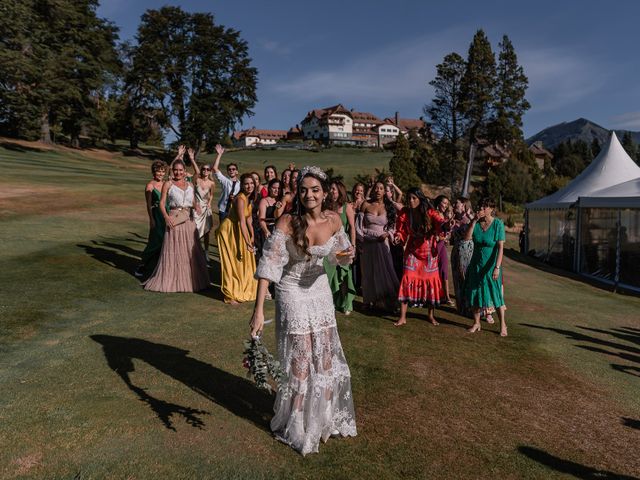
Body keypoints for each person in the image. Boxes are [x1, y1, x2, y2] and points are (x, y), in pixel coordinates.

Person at [250, 166, 357, 456]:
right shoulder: (287, 221)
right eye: (304, 189)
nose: (309, 195)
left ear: (325, 193)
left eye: (315, 190)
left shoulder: (334, 220)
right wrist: (259, 310)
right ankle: (296, 422)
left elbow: (340, 256)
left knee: (323, 355)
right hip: (291, 288)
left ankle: (322, 418)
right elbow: (269, 267)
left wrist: (345, 256)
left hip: (320, 287)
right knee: (300, 356)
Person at [142, 158, 209, 292]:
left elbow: (193, 199)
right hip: (174, 220)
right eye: (175, 170)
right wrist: (166, 217)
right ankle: (173, 280)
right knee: (174, 251)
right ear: (173, 171)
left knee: (189, 251)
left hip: (189, 221)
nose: (178, 172)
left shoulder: (190, 185)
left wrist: (196, 206)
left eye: (180, 170)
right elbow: (162, 203)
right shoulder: (168, 184)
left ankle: (190, 280)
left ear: (185, 171)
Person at [394, 188, 443, 326]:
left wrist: (445, 225)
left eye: (414, 198)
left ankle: (431, 315)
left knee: (431, 282)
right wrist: (398, 237)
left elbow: (439, 222)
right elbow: (400, 230)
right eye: (409, 198)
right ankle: (403, 317)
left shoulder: (429, 212)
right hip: (412, 251)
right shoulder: (405, 213)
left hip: (428, 252)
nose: (410, 201)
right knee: (406, 278)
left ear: (420, 199)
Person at [463, 197, 508, 336]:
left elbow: (500, 248)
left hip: (491, 267)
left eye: (484, 207)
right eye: (480, 207)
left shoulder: (498, 224)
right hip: (476, 265)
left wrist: (497, 267)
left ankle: (503, 326)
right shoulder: (476, 224)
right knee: (475, 294)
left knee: (496, 296)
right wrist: (473, 221)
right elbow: (467, 238)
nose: (480, 210)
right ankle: (476, 323)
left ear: (491, 209)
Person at [357, 181, 399, 311]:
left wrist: (387, 234)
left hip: (382, 243)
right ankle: (368, 300)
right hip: (368, 242)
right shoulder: (365, 204)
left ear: (385, 191)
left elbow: (393, 226)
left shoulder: (389, 206)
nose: (378, 190)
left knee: (385, 270)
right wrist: (362, 239)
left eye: (381, 188)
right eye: (376, 188)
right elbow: (359, 226)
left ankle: (387, 300)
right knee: (368, 271)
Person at [216, 173, 258, 304]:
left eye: (251, 183)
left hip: (239, 230)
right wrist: (247, 243)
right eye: (246, 183)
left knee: (240, 262)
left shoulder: (250, 198)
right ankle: (230, 295)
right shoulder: (240, 199)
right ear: (242, 185)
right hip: (229, 231)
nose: (249, 186)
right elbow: (241, 222)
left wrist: (252, 236)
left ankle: (240, 288)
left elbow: (249, 220)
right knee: (232, 262)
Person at [324, 180, 356, 315]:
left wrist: (353, 246)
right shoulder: (325, 207)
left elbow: (352, 228)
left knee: (343, 274)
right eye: (330, 189)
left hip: (343, 246)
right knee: (329, 273)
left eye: (334, 189)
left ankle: (346, 304)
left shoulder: (347, 207)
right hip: (329, 246)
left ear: (340, 191)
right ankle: (329, 302)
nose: (332, 191)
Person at [136, 160, 167, 278]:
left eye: (163, 171)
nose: (160, 174)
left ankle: (158, 268)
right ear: (154, 172)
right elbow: (148, 205)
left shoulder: (166, 184)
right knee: (155, 242)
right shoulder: (150, 185)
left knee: (165, 242)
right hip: (157, 216)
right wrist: (151, 219)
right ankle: (142, 265)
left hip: (167, 214)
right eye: (158, 171)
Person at [450, 197, 475, 316]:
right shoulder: (454, 219)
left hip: (467, 252)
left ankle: (470, 307)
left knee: (466, 279)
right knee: (457, 279)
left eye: (457, 203)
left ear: (464, 205)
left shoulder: (470, 219)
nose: (454, 205)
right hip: (456, 251)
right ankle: (461, 307)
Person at [211, 144, 240, 223]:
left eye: (233, 169)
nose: (231, 170)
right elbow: (215, 168)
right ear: (227, 171)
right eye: (229, 169)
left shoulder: (241, 184)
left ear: (237, 171)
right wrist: (219, 154)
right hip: (224, 210)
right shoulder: (225, 181)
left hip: (235, 210)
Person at [193, 158, 215, 257]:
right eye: (204, 169)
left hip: (206, 208)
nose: (205, 171)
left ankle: (206, 252)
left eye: (207, 169)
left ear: (210, 171)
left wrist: (210, 202)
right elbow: (192, 193)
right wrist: (192, 159)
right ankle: (194, 249)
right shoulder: (197, 179)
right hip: (196, 208)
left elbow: (211, 195)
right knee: (195, 230)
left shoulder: (212, 183)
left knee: (207, 232)